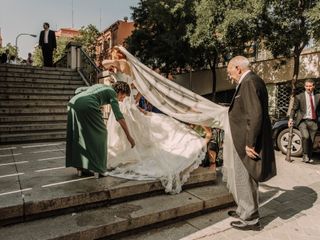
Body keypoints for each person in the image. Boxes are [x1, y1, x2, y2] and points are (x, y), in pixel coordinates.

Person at [227, 56, 276, 230]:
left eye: (230, 72)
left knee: (245, 177)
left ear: (238, 68)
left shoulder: (248, 82)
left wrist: (250, 143)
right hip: (244, 139)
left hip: (246, 142)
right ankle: (243, 209)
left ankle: (250, 219)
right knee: (243, 177)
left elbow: (255, 115)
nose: (230, 76)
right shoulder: (253, 80)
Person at [65, 81, 135, 178]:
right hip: (87, 104)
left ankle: (80, 168)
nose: (122, 100)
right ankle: (98, 169)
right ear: (120, 92)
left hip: (73, 103)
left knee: (80, 134)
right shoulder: (112, 93)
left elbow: (79, 90)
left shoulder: (102, 86)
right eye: (122, 97)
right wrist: (129, 136)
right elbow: (119, 116)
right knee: (101, 134)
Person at [288, 79, 320, 163]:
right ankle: (305, 155)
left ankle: (308, 156)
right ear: (304, 87)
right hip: (303, 121)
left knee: (311, 140)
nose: (308, 88)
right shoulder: (299, 97)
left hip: (313, 121)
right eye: (307, 86)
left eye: (310, 86)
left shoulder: (318, 96)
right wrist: (291, 119)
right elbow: (294, 109)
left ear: (313, 86)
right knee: (306, 137)